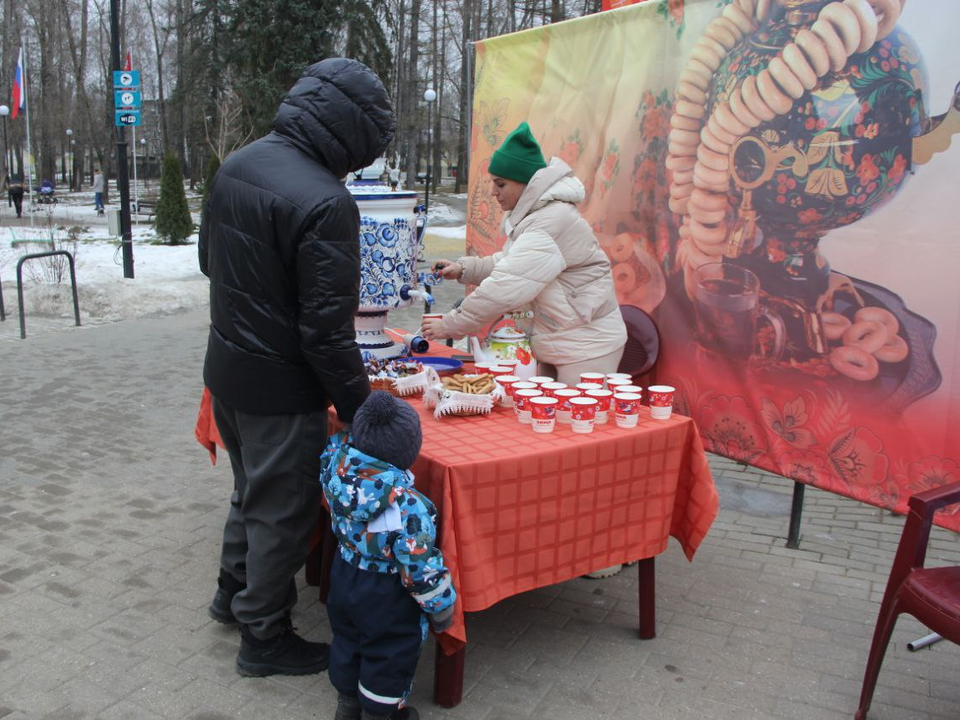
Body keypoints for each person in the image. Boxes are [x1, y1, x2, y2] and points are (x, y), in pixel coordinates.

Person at [198, 58, 395, 677]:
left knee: (248, 492)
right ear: (353, 138)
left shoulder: (237, 164)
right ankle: (263, 635)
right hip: (280, 390)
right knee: (282, 511)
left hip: (226, 371)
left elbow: (210, 262)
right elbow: (326, 335)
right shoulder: (327, 201)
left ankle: (232, 595)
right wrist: (367, 412)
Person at [422, 121, 627, 386]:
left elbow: (507, 285)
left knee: (575, 424)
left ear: (526, 184)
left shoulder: (551, 221)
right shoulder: (536, 218)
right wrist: (465, 269)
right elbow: (510, 264)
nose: (493, 192)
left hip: (588, 346)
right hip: (562, 341)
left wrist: (450, 325)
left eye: (500, 184)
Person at [319, 391, 456, 720]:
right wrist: (442, 609)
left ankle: (347, 704)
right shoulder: (409, 508)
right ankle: (380, 713)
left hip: (344, 574)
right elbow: (420, 569)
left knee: (348, 639)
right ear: (409, 452)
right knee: (389, 652)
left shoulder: (336, 471)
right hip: (386, 594)